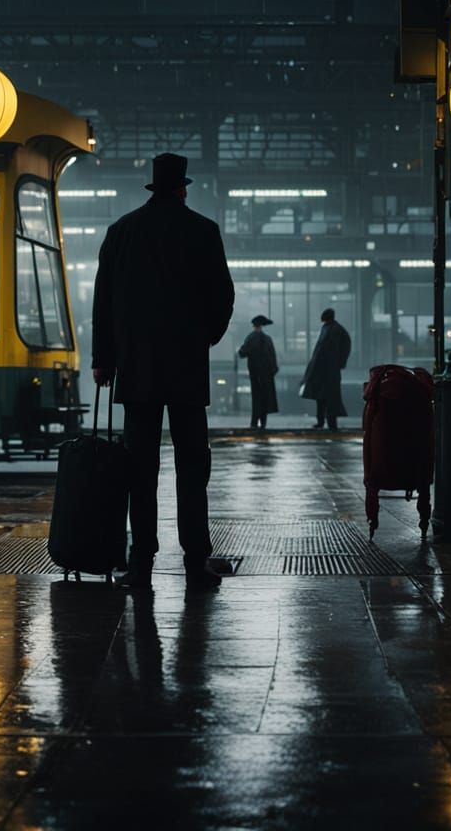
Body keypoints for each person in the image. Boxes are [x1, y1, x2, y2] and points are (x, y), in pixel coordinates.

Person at [91, 152, 234, 591]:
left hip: (137, 370)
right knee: (193, 468)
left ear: (155, 187)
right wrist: (203, 338)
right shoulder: (203, 231)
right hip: (187, 370)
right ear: (182, 188)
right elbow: (223, 296)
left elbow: (104, 302)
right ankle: (195, 561)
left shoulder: (121, 232)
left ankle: (141, 565)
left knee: (140, 471)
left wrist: (104, 359)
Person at [301, 307, 352, 430]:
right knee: (330, 397)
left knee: (322, 398)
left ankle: (324, 422)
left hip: (324, 370)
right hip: (330, 370)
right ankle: (329, 422)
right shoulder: (337, 329)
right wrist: (341, 363)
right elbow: (346, 346)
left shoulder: (329, 329)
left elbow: (320, 350)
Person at [239, 315, 279, 430]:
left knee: (256, 398)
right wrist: (272, 371)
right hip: (266, 374)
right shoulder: (267, 339)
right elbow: (273, 357)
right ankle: (263, 423)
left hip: (255, 373)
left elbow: (242, 353)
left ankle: (254, 422)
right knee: (265, 398)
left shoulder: (251, 338)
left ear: (254, 326)